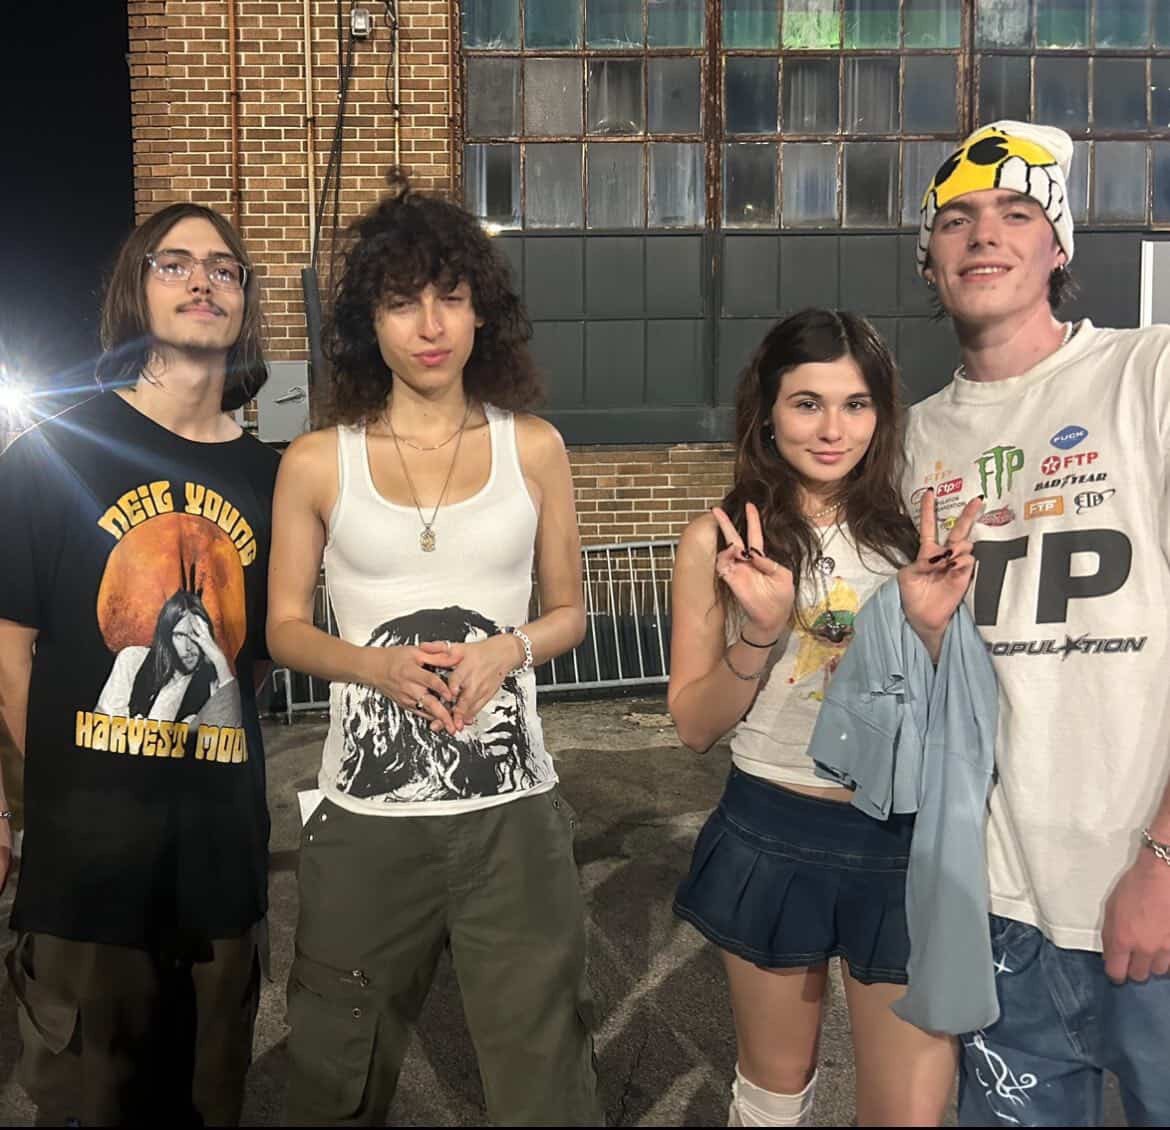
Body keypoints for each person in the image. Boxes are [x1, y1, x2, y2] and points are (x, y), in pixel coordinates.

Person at [267, 170, 602, 1126]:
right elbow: (285, 627)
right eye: (401, 301)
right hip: (365, 813)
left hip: (513, 812)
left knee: (543, 1066)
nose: (429, 324)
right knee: (336, 1061)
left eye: (450, 297)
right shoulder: (318, 459)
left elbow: (570, 611)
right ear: (366, 323)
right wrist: (372, 664)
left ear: (480, 312)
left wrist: (509, 649)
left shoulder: (532, 447)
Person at [907, 120, 1170, 1126]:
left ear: (1058, 247)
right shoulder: (913, 439)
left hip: (1147, 887)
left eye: (1017, 213)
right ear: (929, 259)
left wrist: (1164, 858)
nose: (984, 234)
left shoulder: (1147, 375)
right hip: (999, 911)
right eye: (957, 219)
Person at [0, 202, 279, 1125]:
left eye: (225, 268)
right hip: (88, 878)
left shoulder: (273, 480)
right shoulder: (53, 453)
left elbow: (258, 662)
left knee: (208, 1105)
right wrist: (68, 795)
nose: (203, 280)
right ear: (136, 289)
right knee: (94, 1103)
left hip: (221, 870)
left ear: (244, 302)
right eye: (176, 263)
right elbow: (8, 654)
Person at [669, 308, 982, 1126]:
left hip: (904, 840)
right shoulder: (720, 540)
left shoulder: (919, 531)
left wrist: (931, 633)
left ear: (883, 414)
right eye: (807, 403)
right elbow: (695, 726)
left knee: (906, 1112)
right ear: (768, 412)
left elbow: (959, 709)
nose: (833, 429)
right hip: (773, 829)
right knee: (773, 1097)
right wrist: (761, 631)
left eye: (856, 403)